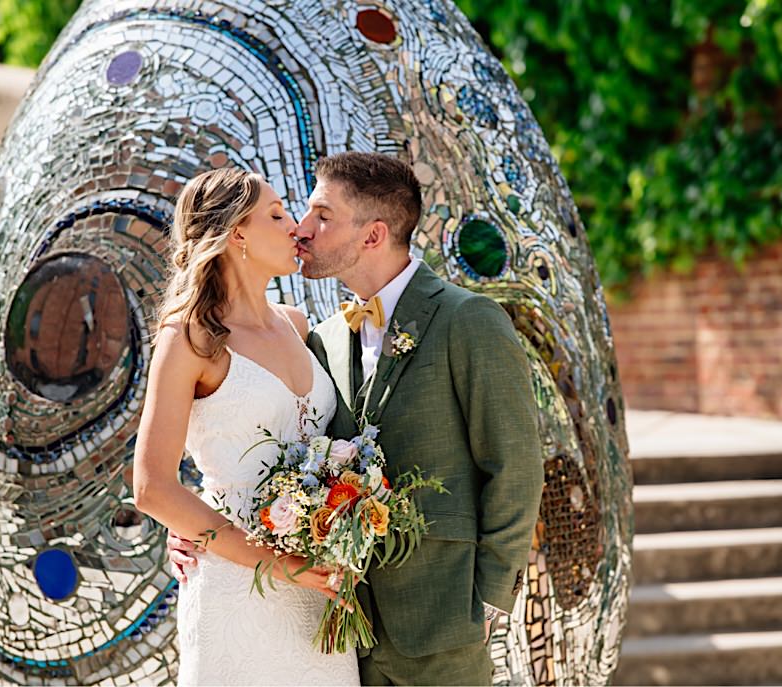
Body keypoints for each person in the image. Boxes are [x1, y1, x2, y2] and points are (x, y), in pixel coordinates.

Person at [167, 152, 545, 686]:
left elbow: (516, 465)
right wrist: (197, 526)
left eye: (322, 215)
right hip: (338, 627)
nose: (302, 228)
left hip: (442, 622)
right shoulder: (319, 339)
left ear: (372, 235)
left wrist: (490, 601)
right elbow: (275, 440)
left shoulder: (468, 320)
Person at [133, 167, 358, 685]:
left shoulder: (297, 324)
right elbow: (152, 487)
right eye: (277, 215)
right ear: (237, 233)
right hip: (238, 589)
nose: (295, 228)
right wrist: (276, 564)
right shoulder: (190, 337)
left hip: (320, 589)